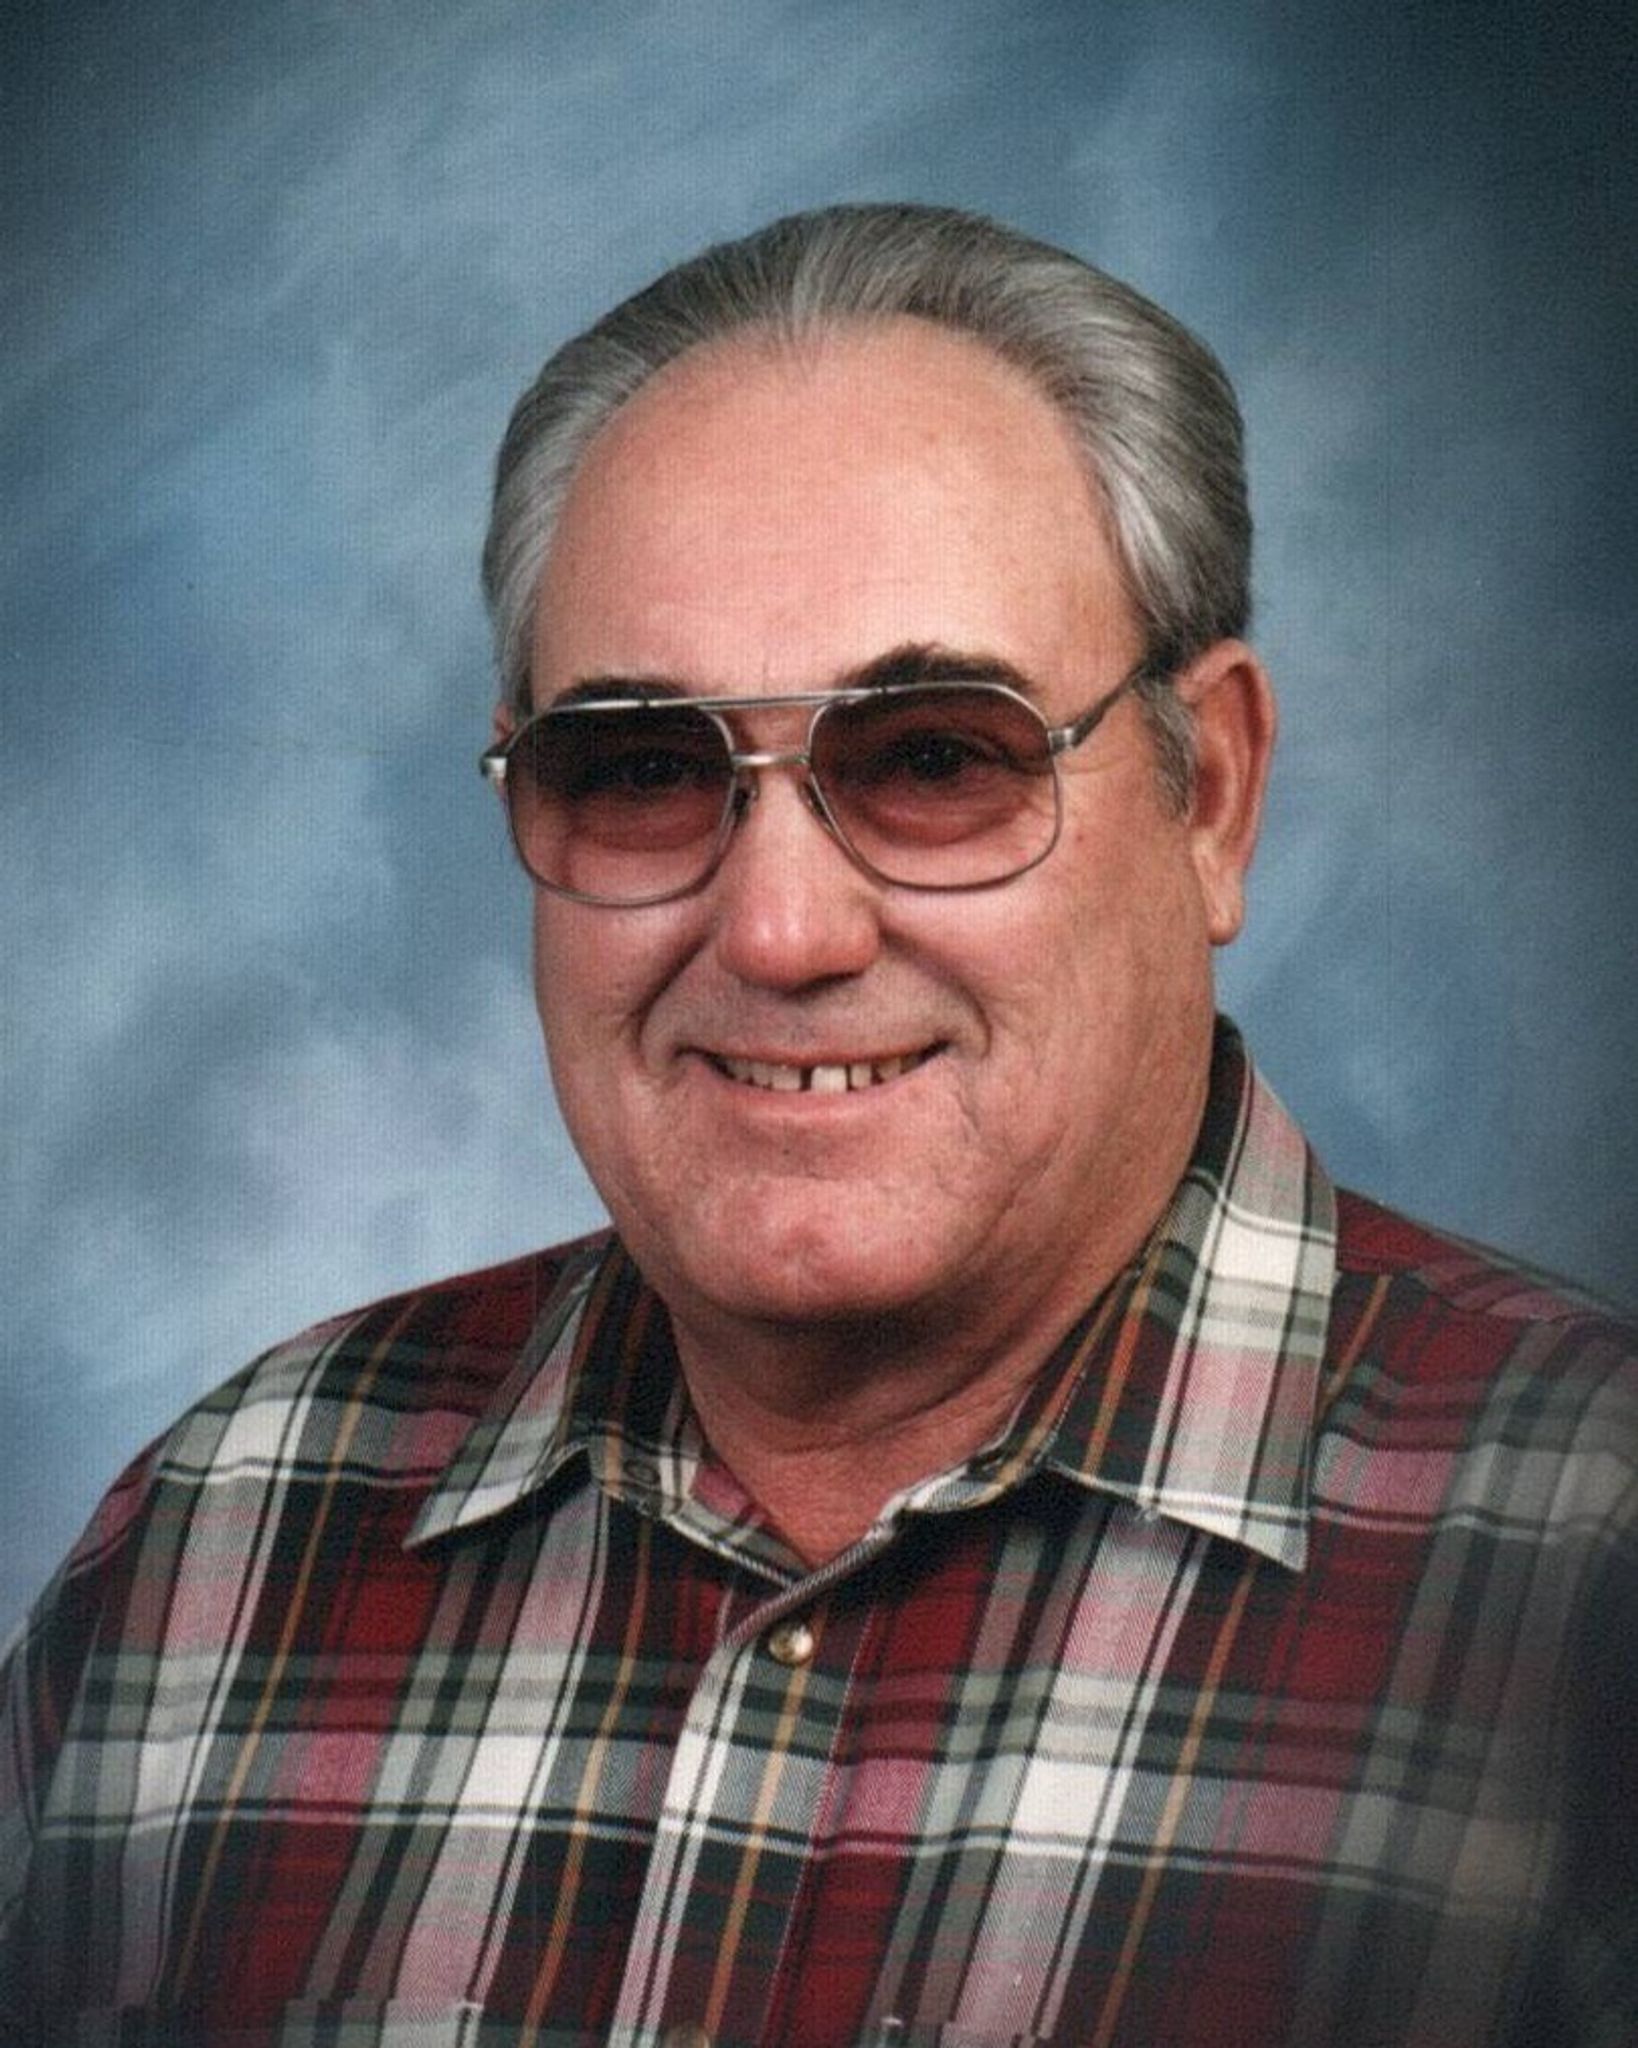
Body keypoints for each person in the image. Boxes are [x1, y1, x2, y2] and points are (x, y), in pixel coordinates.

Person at [1, 203, 1632, 2048]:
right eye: (640, 767)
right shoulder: (219, 1553)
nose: (780, 933)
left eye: (934, 757)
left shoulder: (1587, 1582)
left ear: (1211, 798)